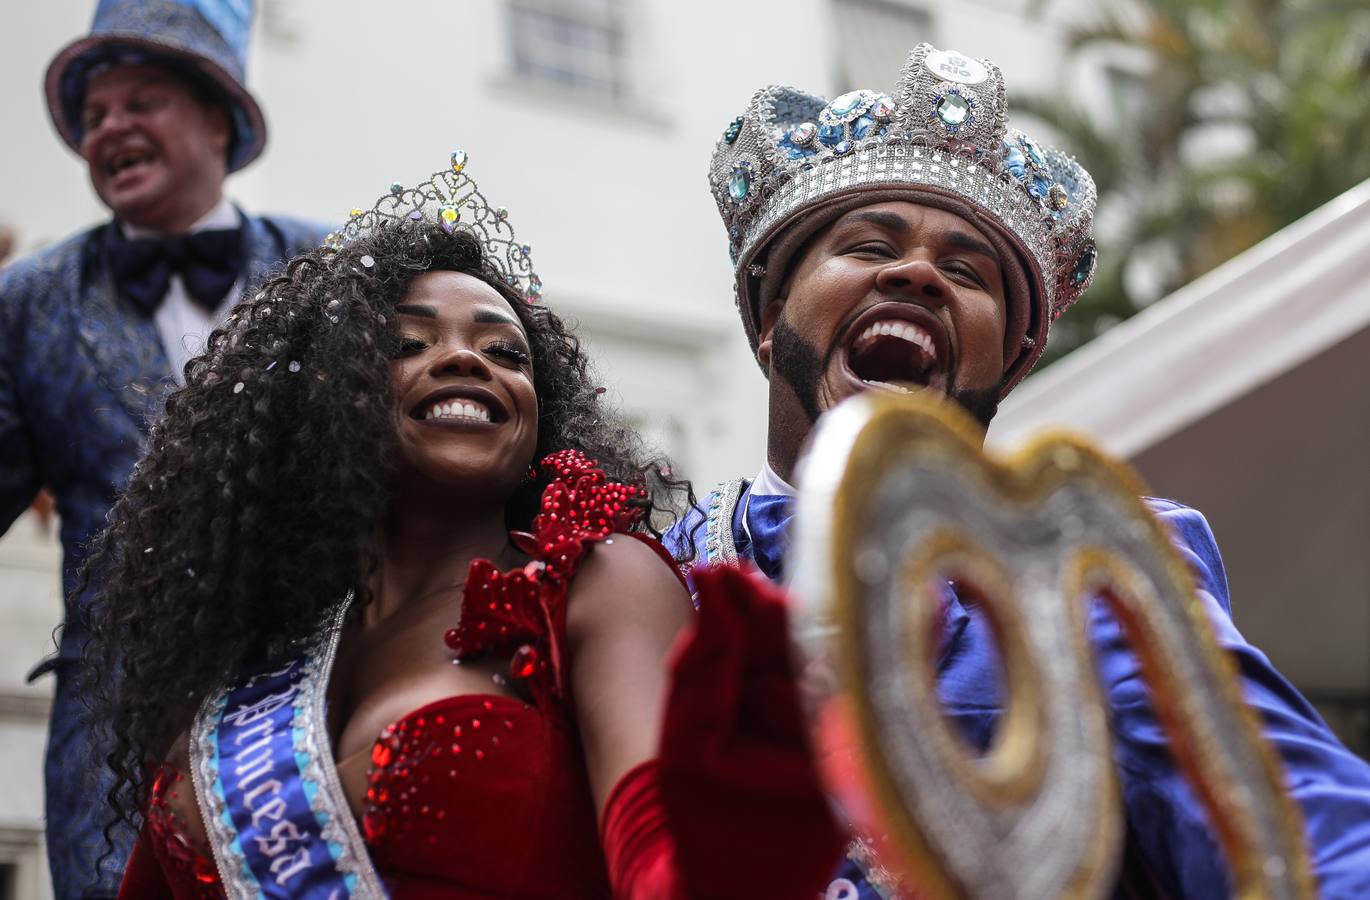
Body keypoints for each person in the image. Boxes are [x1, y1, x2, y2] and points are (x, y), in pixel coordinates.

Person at [667, 42, 1370, 897]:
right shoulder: (656, 577)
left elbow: (1285, 809)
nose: (917, 273)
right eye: (868, 244)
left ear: (1003, 366)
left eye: (966, 272)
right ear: (774, 316)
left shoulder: (1091, 570)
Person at [83, 164, 846, 898]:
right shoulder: (241, 658)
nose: (462, 359)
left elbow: (660, 856)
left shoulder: (594, 582)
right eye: (406, 344)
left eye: (504, 351)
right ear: (323, 402)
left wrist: (747, 824)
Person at [0, 1, 324, 893]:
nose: (111, 129)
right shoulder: (27, 301)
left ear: (218, 118)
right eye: (95, 115)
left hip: (314, 707)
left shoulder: (329, 266)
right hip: (114, 749)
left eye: (141, 102)